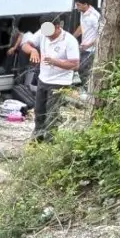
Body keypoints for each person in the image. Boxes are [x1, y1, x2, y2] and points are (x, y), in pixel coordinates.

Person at [20, 14, 80, 142]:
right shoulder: (42, 33)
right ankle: (37, 138)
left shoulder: (69, 41)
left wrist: (55, 62)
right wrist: (33, 51)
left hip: (60, 82)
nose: (46, 35)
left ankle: (50, 141)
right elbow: (25, 44)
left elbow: (75, 64)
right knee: (39, 111)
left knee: (52, 112)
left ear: (58, 26)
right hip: (43, 79)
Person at [73, 0, 101, 94]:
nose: (77, 7)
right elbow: (82, 27)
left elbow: (101, 34)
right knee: (75, 67)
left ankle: (86, 92)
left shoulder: (94, 17)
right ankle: (80, 90)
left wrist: (89, 45)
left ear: (86, 4)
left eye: (78, 5)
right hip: (83, 48)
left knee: (82, 70)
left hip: (91, 49)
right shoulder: (83, 13)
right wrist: (72, 38)